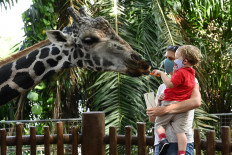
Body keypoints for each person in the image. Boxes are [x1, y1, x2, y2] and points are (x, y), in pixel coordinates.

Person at [147, 45, 201, 155]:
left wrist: (165, 110)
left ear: (183, 60)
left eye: (171, 59)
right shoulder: (161, 87)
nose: (167, 62)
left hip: (178, 144)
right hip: (161, 144)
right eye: (166, 58)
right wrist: (153, 102)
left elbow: (196, 102)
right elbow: (152, 119)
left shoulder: (191, 79)